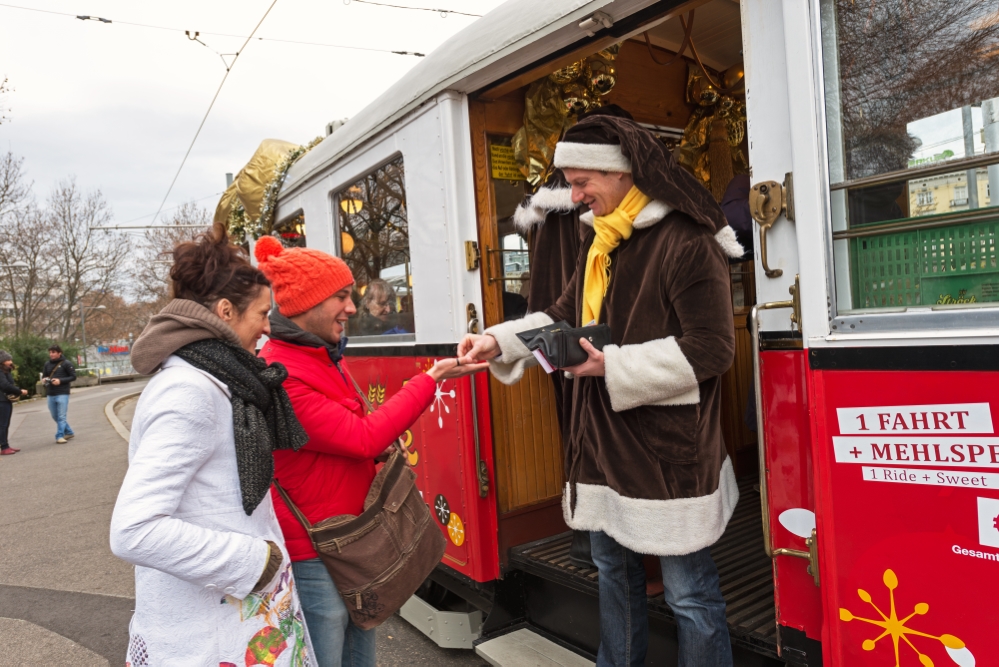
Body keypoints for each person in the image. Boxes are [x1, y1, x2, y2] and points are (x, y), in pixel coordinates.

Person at [459, 115, 745, 667]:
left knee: (689, 593)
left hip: (668, 452)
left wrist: (611, 365)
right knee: (613, 573)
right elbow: (565, 313)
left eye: (583, 181)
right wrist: (499, 343)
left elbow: (713, 350)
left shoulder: (689, 241)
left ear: (623, 174)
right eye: (570, 181)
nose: (574, 195)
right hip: (602, 443)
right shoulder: (601, 239)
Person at [252, 235, 485, 667]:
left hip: (348, 539)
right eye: (340, 297)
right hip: (321, 550)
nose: (352, 308)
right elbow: (363, 438)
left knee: (359, 656)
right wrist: (430, 378)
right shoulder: (282, 374)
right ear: (306, 303)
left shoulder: (318, 357)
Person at [110, 230, 317, 666]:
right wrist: (256, 561)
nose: (267, 326)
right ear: (225, 311)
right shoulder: (189, 392)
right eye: (262, 313)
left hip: (233, 619)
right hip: (215, 632)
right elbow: (134, 530)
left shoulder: (212, 378)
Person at [43, 345, 76, 443]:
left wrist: (60, 381)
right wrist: (44, 379)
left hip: (62, 392)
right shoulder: (47, 364)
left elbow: (73, 377)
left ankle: (59, 436)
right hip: (51, 392)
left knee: (61, 416)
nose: (51, 354)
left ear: (59, 353)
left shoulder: (66, 363)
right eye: (50, 352)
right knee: (55, 415)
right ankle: (69, 431)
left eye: (53, 352)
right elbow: (45, 375)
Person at [0, 350, 27, 455]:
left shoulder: (6, 370)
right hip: (2, 401)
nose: (11, 361)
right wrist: (19, 391)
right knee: (3, 424)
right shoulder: (0, 372)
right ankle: (4, 447)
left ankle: (5, 445)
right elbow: (5, 385)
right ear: (2, 361)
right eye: (8, 360)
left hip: (5, 400)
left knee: (4, 424)